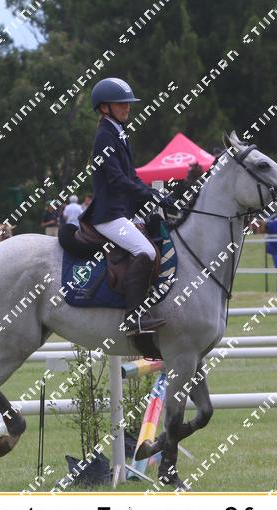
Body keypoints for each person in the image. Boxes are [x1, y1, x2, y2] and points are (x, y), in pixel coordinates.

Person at [80, 77, 175, 335]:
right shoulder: (105, 136)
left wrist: (155, 195)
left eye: (128, 103)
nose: (127, 107)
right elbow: (117, 180)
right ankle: (133, 317)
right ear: (104, 107)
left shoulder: (118, 133)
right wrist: (151, 197)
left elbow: (132, 177)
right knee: (147, 252)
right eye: (121, 103)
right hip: (108, 215)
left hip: (122, 212)